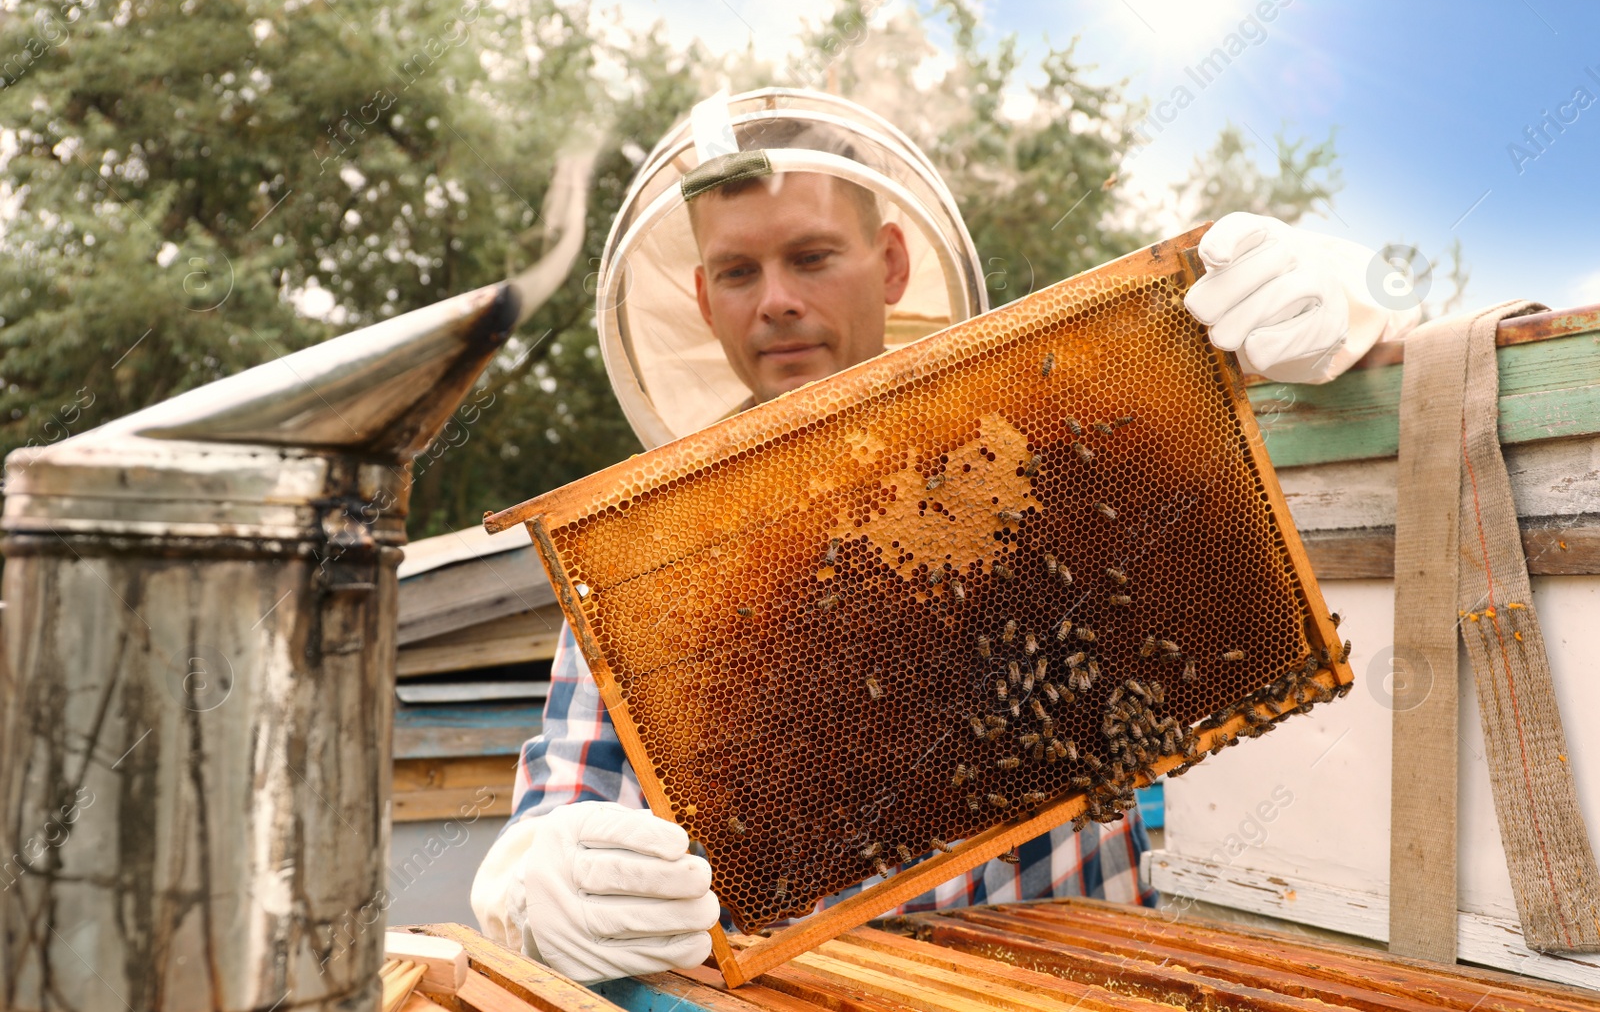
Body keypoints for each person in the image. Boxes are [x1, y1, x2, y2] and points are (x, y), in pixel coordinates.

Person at [471, 90, 1418, 984]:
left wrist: (1359, 326)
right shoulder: (646, 566)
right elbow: (564, 805)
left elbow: (1288, 468)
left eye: (810, 256)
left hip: (1078, 981)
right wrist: (526, 879)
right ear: (703, 294)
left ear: (889, 260)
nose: (776, 301)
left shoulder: (1054, 442)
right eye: (737, 271)